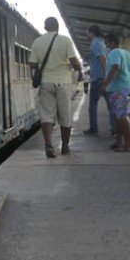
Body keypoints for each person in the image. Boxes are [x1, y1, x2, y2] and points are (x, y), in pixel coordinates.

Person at [30, 17, 81, 157]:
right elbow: (74, 63)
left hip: (45, 82)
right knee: (65, 115)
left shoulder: (37, 42)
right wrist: (76, 67)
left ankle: (49, 146)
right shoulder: (65, 40)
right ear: (57, 27)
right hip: (63, 82)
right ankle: (65, 146)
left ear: (45, 27)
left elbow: (33, 65)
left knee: (46, 116)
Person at [100, 32, 130, 152]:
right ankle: (119, 142)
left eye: (107, 43)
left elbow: (115, 68)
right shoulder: (127, 53)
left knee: (122, 116)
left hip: (118, 88)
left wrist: (104, 84)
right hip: (125, 86)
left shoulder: (114, 52)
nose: (106, 46)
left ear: (111, 42)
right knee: (119, 116)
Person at [83, 25, 116, 137]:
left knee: (93, 105)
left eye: (86, 32)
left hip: (98, 80)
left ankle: (94, 128)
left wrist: (104, 77)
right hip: (104, 79)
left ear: (91, 32)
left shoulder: (95, 43)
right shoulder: (103, 43)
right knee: (111, 105)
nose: (85, 34)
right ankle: (114, 129)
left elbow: (102, 59)